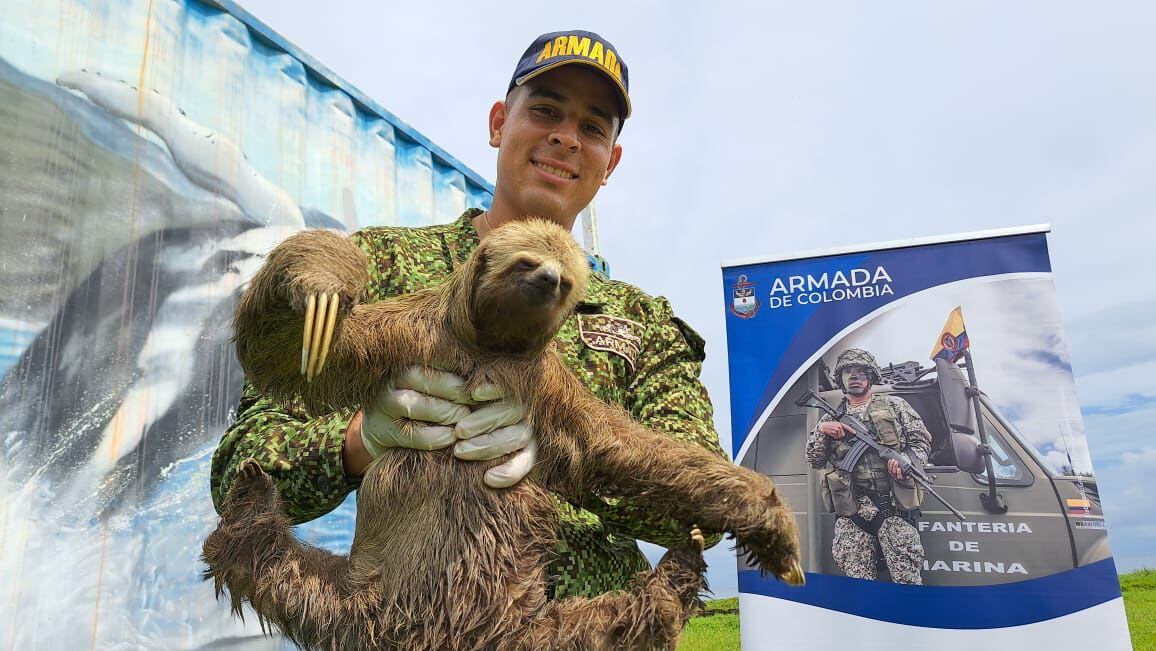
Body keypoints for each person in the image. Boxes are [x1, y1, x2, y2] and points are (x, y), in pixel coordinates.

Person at [209, 30, 725, 600]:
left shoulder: (643, 323)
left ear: (610, 163)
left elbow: (704, 512)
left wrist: (566, 456)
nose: (565, 137)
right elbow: (239, 472)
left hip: (582, 626)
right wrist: (358, 442)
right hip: (409, 620)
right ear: (499, 123)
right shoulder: (382, 265)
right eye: (546, 111)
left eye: (593, 128)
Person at [804, 348, 931, 584]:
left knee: (908, 584)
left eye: (861, 372)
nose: (854, 376)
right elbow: (814, 460)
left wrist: (906, 462)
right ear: (841, 378)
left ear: (871, 376)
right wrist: (821, 432)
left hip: (894, 509)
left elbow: (921, 441)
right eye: (848, 372)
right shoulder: (829, 419)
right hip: (852, 512)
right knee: (858, 588)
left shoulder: (895, 406)